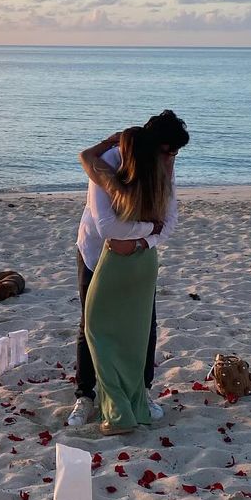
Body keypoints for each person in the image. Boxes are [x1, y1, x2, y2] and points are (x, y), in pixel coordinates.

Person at [68, 111, 189, 430]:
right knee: (91, 324)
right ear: (154, 146)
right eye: (170, 153)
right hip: (96, 253)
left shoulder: (165, 169)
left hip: (138, 257)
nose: (173, 161)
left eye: (176, 154)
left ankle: (141, 392)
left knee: (144, 323)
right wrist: (149, 226)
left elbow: (171, 222)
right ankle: (87, 394)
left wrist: (140, 242)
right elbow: (107, 226)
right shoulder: (110, 160)